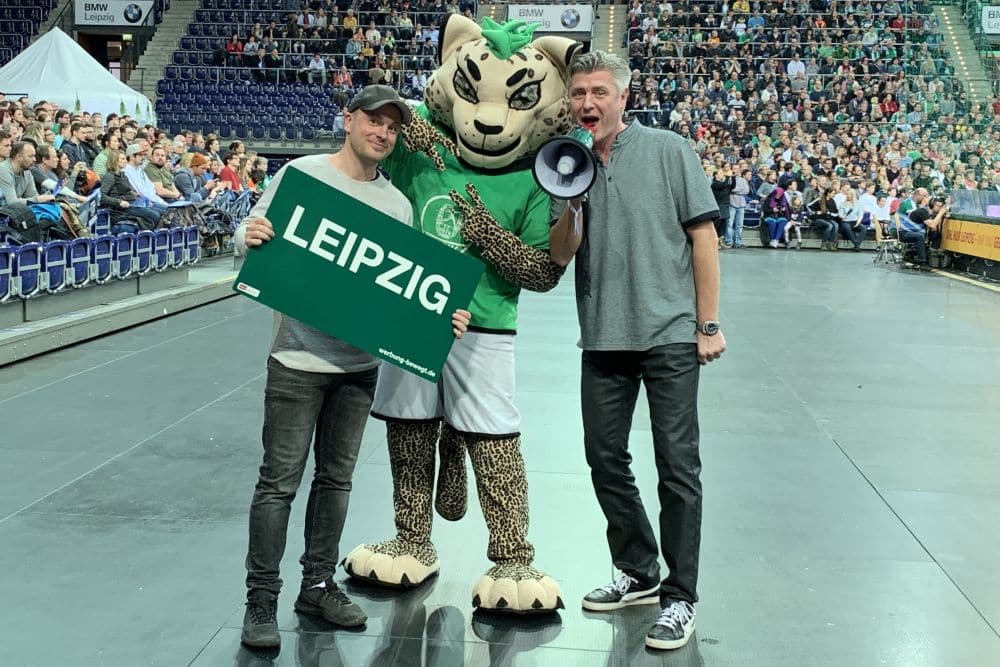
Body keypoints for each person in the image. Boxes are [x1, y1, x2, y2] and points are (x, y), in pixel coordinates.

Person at [234, 85, 470, 651]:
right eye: (374, 121)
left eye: (392, 127)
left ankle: (317, 584)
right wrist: (248, 234)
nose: (382, 133)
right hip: (296, 358)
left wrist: (441, 316)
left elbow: (402, 289)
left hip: (359, 367)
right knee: (279, 484)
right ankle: (260, 601)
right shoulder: (302, 176)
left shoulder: (398, 205)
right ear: (350, 120)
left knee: (336, 480)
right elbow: (251, 236)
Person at [549, 51, 725, 652]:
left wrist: (708, 324)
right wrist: (570, 201)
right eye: (579, 94)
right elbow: (560, 253)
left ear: (623, 97)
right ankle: (638, 569)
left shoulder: (670, 151)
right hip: (602, 335)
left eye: (599, 92)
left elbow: (703, 236)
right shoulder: (565, 163)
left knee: (678, 469)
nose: (588, 103)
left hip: (671, 334)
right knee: (605, 459)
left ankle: (681, 599)